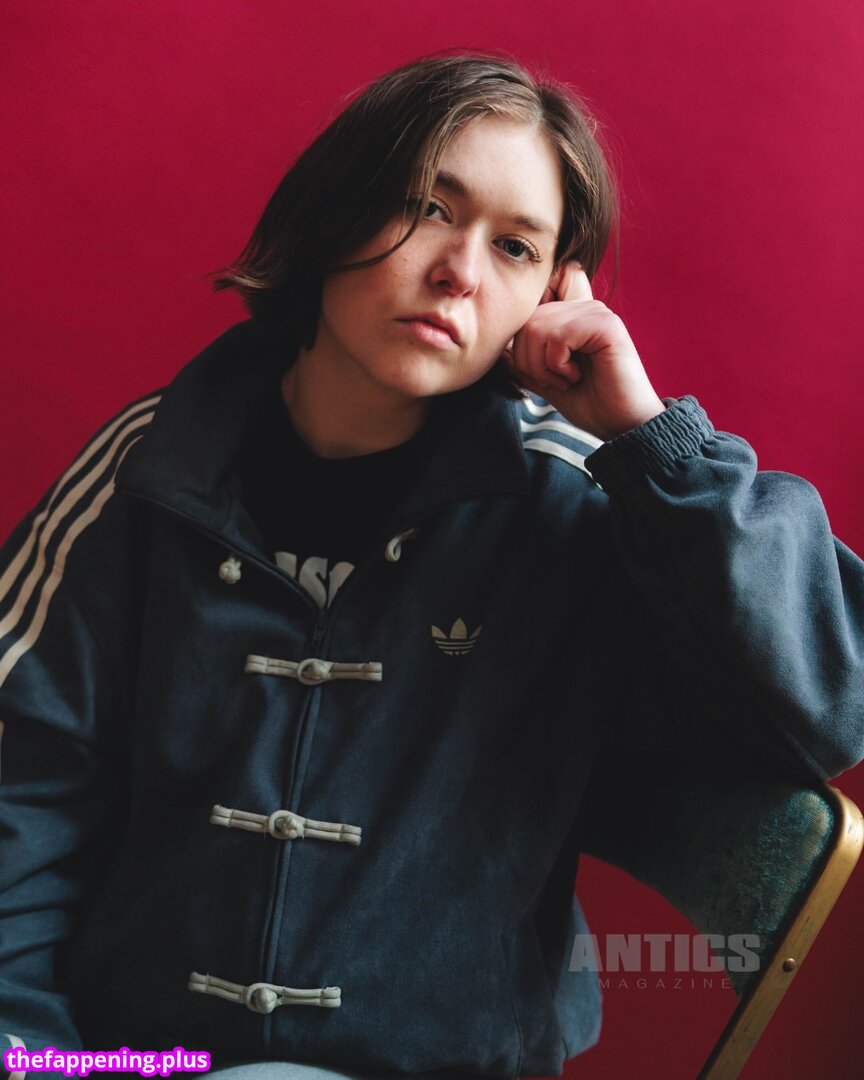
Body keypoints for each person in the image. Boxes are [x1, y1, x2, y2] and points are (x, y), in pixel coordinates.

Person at [1, 51, 863, 1080]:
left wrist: (656, 448)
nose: (460, 269)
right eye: (426, 208)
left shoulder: (580, 501)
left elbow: (827, 709)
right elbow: (23, 782)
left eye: (515, 247)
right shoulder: (149, 474)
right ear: (334, 209)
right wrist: (32, 1054)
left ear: (552, 294)